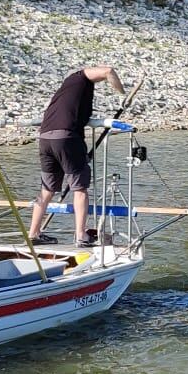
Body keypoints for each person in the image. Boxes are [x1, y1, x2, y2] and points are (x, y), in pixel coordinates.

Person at [27, 65, 125, 247]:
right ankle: (81, 235)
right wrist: (122, 94)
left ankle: (33, 233)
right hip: (66, 138)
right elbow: (108, 71)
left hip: (45, 138)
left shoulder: (66, 93)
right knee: (79, 188)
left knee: (46, 190)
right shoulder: (80, 77)